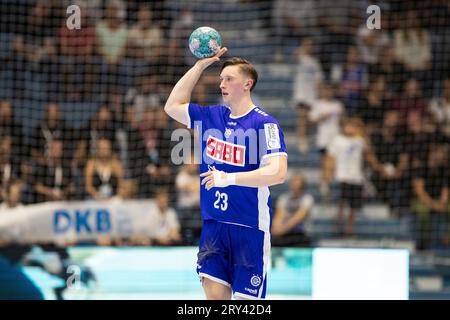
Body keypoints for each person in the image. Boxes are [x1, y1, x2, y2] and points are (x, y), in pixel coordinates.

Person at [164, 49, 288, 300]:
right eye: (221, 79)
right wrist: (199, 66)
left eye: (229, 78)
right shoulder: (211, 116)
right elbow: (172, 106)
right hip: (214, 229)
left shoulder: (265, 123)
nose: (222, 84)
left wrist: (228, 178)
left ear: (247, 84)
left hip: (249, 230)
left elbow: (278, 173)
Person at [324, 117, 382, 237]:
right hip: (342, 176)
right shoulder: (337, 140)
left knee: (354, 206)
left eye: (353, 126)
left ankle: (349, 230)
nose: (350, 128)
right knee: (342, 202)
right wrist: (328, 174)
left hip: (357, 177)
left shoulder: (360, 141)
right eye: (348, 125)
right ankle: (338, 223)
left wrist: (362, 131)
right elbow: (330, 158)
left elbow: (369, 152)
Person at [271, 175, 313, 247]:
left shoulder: (307, 199)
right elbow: (279, 216)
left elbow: (296, 219)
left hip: (300, 233)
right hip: (284, 233)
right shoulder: (284, 198)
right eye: (294, 182)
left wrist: (281, 231)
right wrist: (275, 228)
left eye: (298, 183)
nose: (295, 185)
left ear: (302, 186)